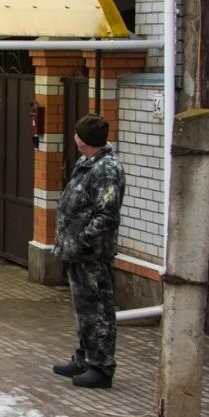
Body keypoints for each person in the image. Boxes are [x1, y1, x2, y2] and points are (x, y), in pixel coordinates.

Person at [52, 114, 126, 389]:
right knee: (84, 309)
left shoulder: (106, 169)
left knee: (98, 309)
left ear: (83, 139)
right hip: (78, 253)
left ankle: (101, 366)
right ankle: (84, 358)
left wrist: (82, 238)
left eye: (77, 133)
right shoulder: (88, 162)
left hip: (91, 253)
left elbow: (107, 215)